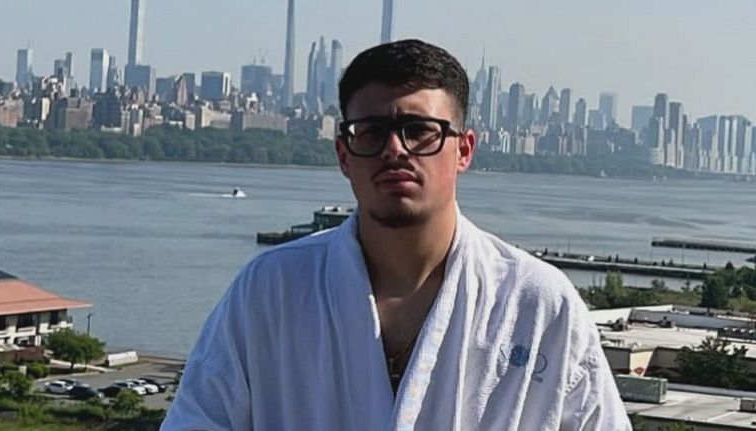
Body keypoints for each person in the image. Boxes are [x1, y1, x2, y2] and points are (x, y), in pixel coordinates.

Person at [162, 39, 631, 430]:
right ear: (344, 155)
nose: (395, 150)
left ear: (464, 150)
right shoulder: (269, 291)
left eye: (419, 130)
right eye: (371, 132)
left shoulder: (538, 304)